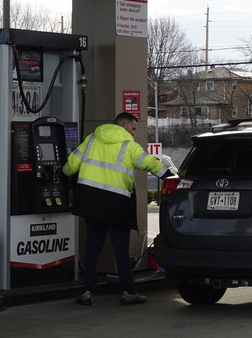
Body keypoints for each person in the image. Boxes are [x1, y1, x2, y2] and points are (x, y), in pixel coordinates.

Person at [63, 112, 174, 306]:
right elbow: (149, 163)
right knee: (121, 250)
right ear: (123, 125)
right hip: (116, 204)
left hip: (91, 202)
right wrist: (171, 176)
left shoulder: (91, 140)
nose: (133, 133)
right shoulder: (129, 146)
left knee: (92, 248)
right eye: (132, 128)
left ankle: (87, 292)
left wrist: (63, 173)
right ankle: (128, 292)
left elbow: (71, 165)